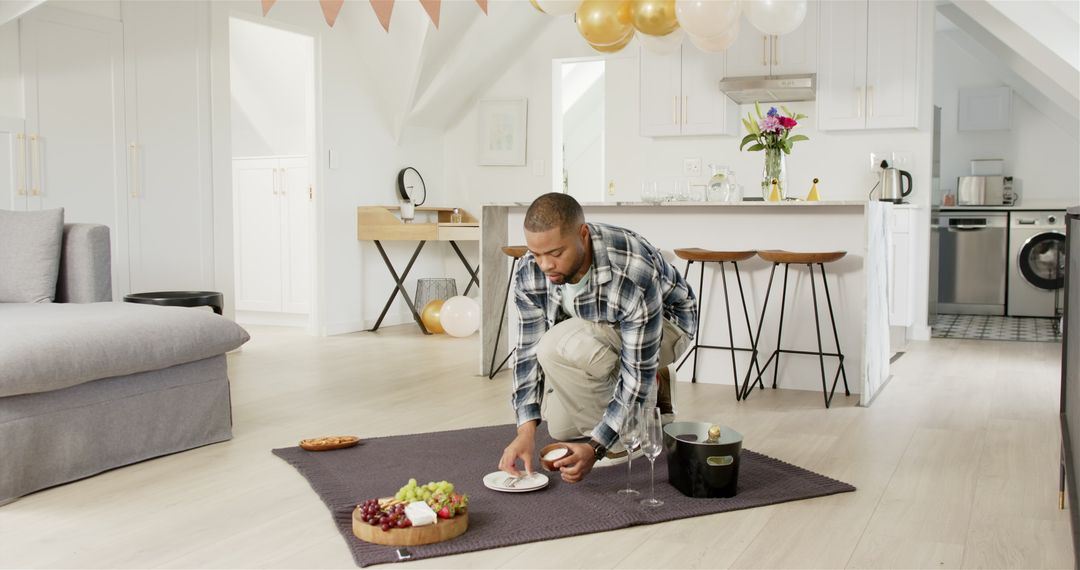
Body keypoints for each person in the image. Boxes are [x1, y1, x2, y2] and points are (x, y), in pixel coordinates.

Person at [497, 193, 697, 484]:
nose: (545, 265)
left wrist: (597, 446)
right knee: (562, 430)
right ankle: (659, 387)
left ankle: (630, 433)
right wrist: (525, 432)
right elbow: (527, 351)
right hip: (598, 331)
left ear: (583, 234)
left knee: (555, 346)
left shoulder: (630, 269)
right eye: (536, 254)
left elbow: (637, 369)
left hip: (667, 328)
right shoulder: (531, 271)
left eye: (555, 253)